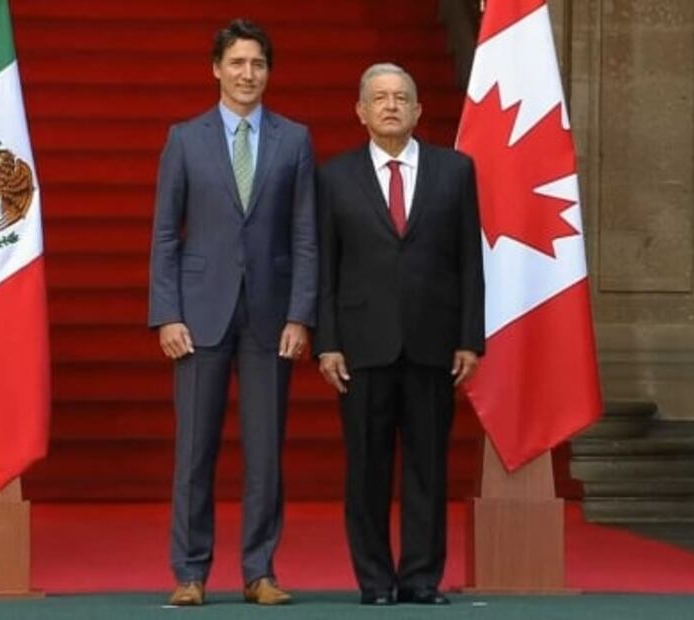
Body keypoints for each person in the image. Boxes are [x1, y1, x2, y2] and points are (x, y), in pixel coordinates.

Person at [148, 18, 316, 607]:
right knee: (194, 449)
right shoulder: (185, 139)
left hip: (271, 318)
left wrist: (301, 315)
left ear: (269, 72)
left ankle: (259, 571)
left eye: (259, 65)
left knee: (265, 452)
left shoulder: (293, 140)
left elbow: (305, 237)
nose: (249, 75)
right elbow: (166, 234)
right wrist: (166, 314)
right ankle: (190, 572)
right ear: (216, 68)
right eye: (238, 63)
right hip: (199, 315)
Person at [314, 63, 484, 606]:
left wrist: (469, 338)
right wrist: (327, 341)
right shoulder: (334, 176)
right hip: (361, 346)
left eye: (401, 97)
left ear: (417, 110)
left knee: (427, 468)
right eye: (379, 98)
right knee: (366, 469)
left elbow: (470, 263)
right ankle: (374, 580)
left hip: (433, 344)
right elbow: (325, 266)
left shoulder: (455, 171)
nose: (391, 106)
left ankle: (419, 578)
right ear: (360, 112)